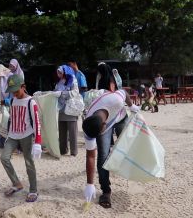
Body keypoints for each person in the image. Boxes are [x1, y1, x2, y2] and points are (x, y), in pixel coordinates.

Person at [82, 75, 140, 209]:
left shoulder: (115, 100)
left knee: (128, 144)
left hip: (119, 117)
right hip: (104, 120)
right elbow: (90, 155)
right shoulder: (88, 126)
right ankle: (106, 191)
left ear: (104, 125)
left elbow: (124, 92)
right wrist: (89, 184)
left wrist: (131, 106)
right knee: (103, 156)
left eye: (100, 133)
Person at [0, 74, 42, 202]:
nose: (14, 94)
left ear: (23, 87)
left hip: (26, 136)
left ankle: (33, 190)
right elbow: (12, 118)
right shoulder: (13, 100)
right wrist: (8, 136)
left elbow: (36, 123)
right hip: (13, 135)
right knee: (4, 158)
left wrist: (38, 142)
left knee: (29, 162)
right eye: (12, 92)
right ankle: (17, 183)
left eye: (16, 91)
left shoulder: (31, 102)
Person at [53, 65, 79, 156]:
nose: (58, 74)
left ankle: (74, 152)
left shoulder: (73, 80)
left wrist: (62, 93)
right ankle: (63, 150)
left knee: (72, 132)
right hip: (61, 109)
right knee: (62, 132)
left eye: (60, 72)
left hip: (71, 109)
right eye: (58, 72)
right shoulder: (59, 82)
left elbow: (75, 92)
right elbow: (56, 92)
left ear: (65, 72)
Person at [0, 64, 12, 147]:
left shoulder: (10, 77)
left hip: (11, 101)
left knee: (10, 122)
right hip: (5, 103)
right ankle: (2, 141)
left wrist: (9, 100)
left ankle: (10, 143)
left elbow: (13, 90)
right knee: (5, 121)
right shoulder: (1, 80)